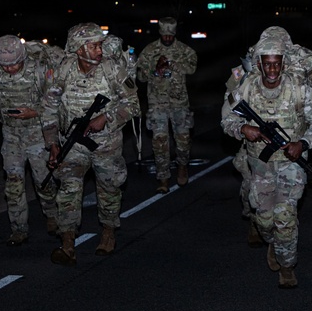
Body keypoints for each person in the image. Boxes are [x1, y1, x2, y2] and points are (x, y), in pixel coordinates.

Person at [221, 28, 312, 288]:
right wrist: (243, 129)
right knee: (265, 218)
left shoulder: (299, 88)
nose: (272, 69)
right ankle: (275, 244)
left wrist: (302, 143)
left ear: (283, 63)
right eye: (267, 64)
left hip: (291, 164)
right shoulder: (246, 87)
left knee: (285, 216)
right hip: (259, 163)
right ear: (259, 64)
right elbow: (227, 119)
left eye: (276, 63)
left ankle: (287, 267)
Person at [42, 23, 140, 266]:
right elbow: (49, 108)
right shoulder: (63, 70)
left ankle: (107, 232)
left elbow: (133, 105)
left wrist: (105, 118)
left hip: (106, 143)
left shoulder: (112, 68)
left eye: (100, 44)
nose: (100, 49)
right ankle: (67, 244)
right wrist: (53, 143)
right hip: (73, 142)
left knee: (109, 189)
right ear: (78, 49)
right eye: (94, 45)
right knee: (68, 188)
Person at [0, 35, 63, 246]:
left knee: (43, 181)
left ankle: (52, 214)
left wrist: (33, 112)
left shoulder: (40, 71)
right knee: (13, 184)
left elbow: (57, 104)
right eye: (5, 65)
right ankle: (18, 229)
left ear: (23, 57)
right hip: (11, 137)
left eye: (14, 64)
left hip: (38, 135)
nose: (9, 68)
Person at [135, 16, 197, 193]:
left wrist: (174, 64)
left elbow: (192, 68)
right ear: (160, 33)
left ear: (175, 33)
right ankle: (163, 178)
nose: (168, 38)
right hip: (157, 103)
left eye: (171, 35)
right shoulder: (149, 51)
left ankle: (182, 166)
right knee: (160, 142)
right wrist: (156, 68)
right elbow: (140, 76)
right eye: (165, 35)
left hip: (180, 103)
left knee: (183, 140)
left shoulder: (185, 50)